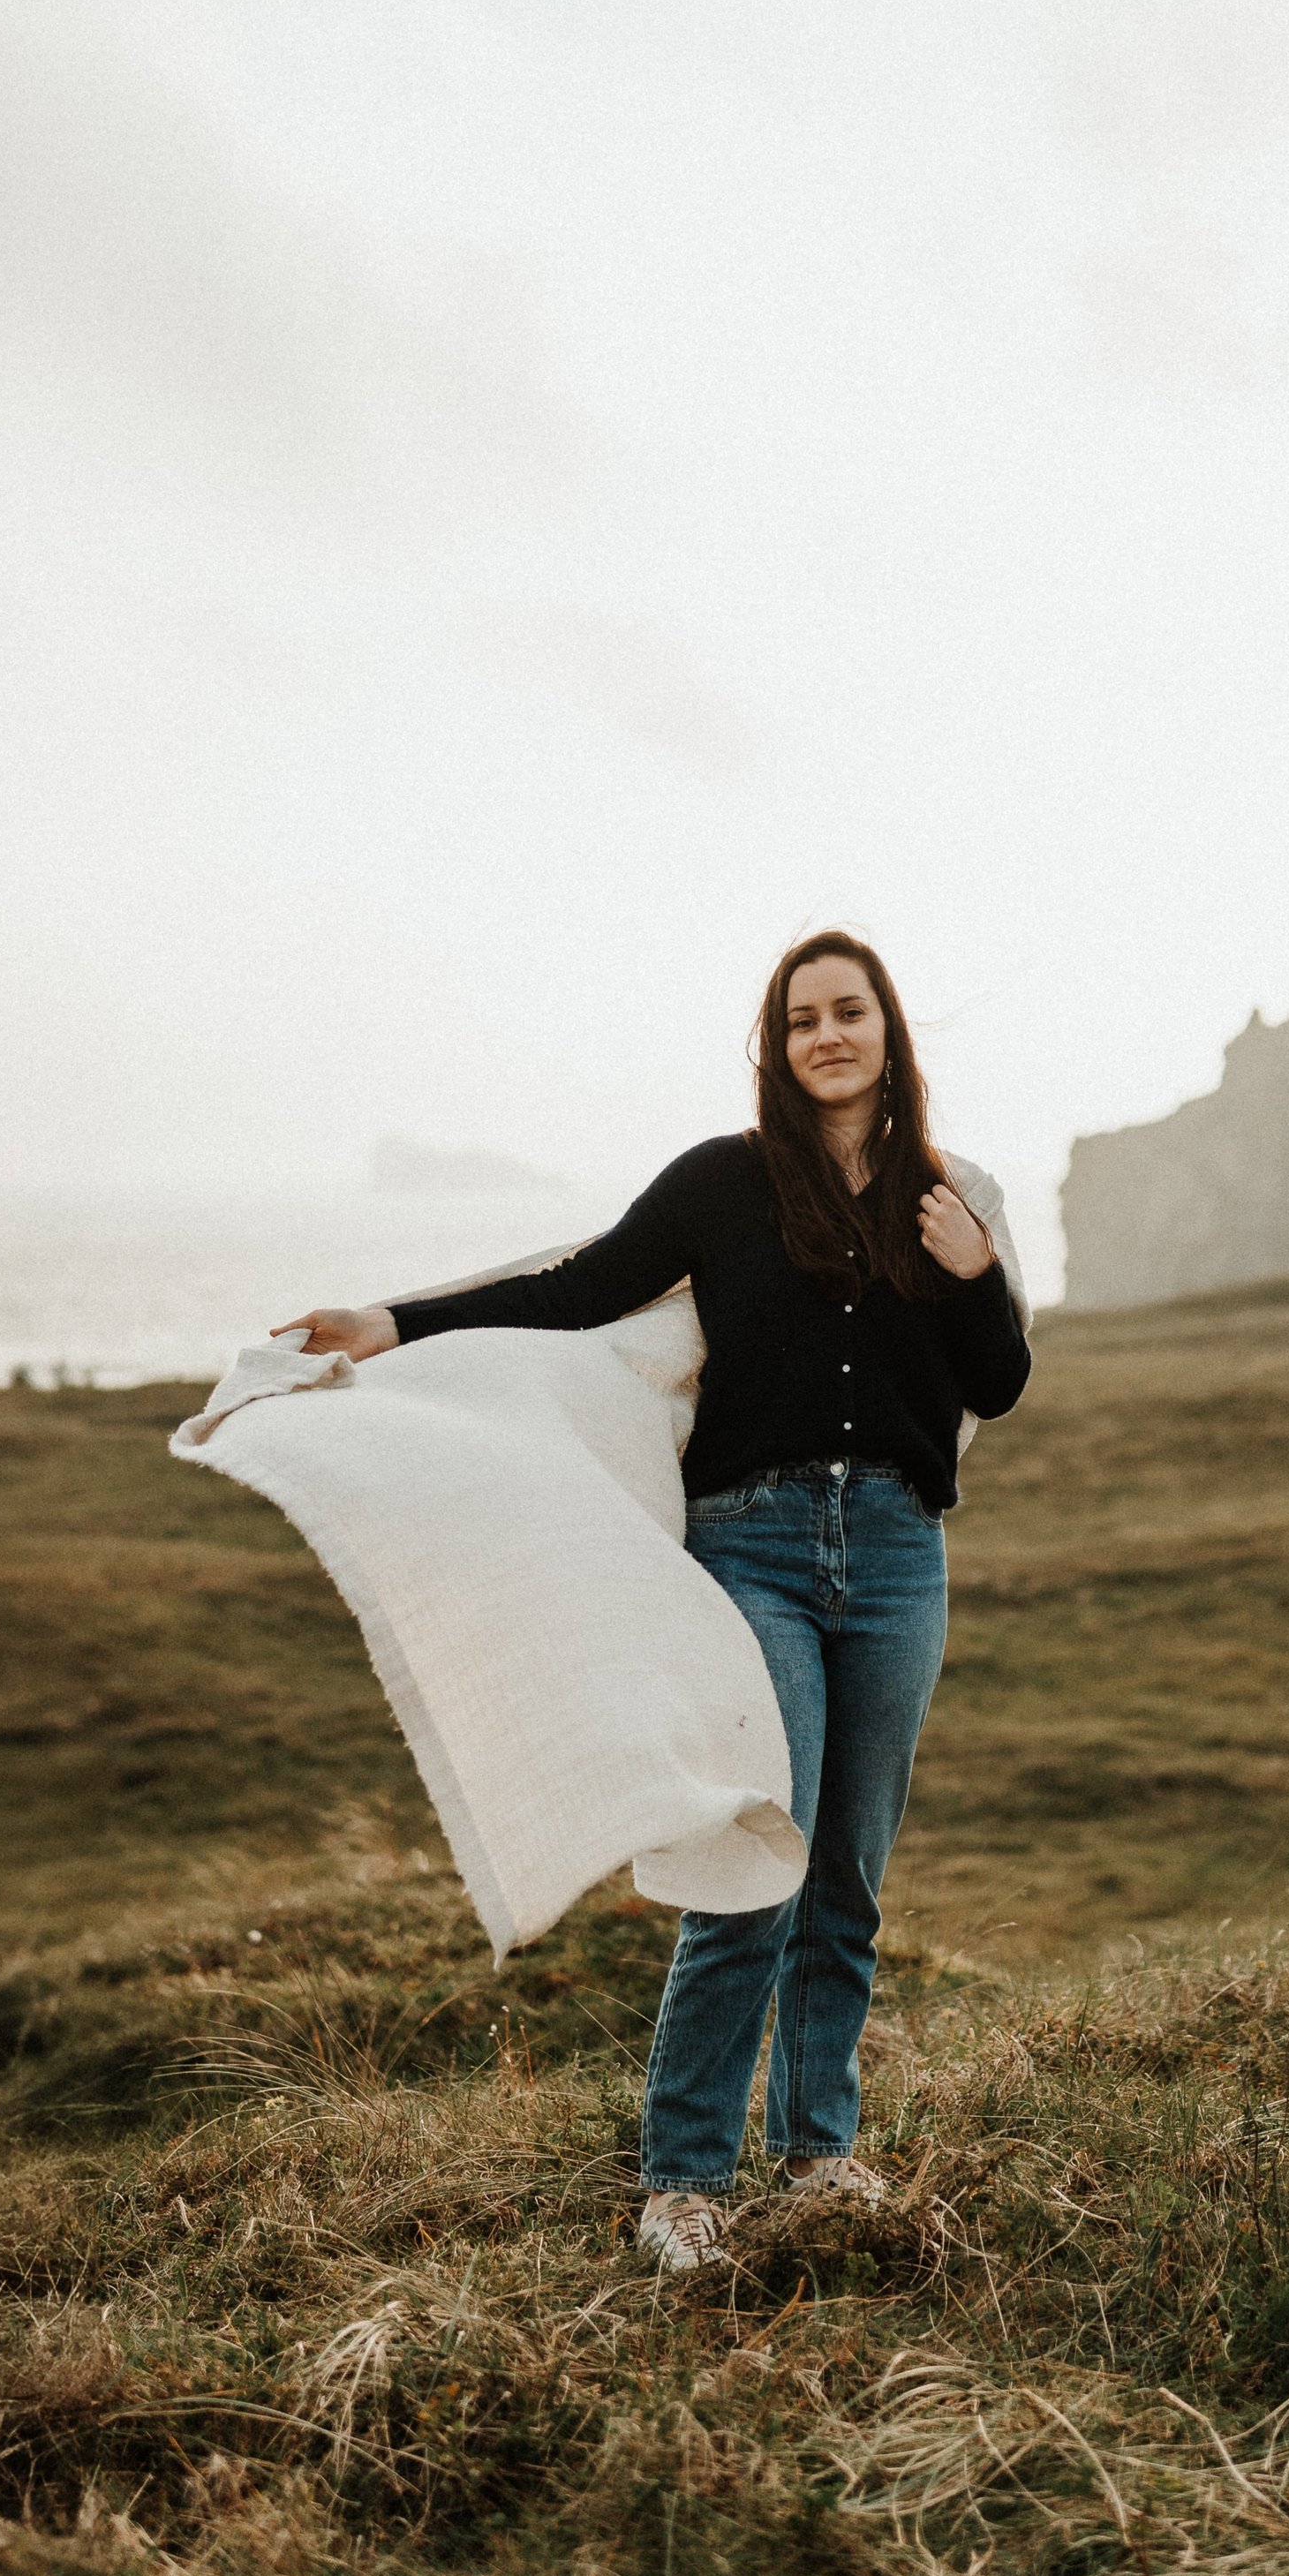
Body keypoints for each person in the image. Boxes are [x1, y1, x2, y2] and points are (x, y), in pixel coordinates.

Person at [283, 931, 1031, 2268]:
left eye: (849, 1011)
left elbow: (1000, 1381)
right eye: (801, 1019)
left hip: (901, 1549)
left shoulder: (954, 1193)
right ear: (778, 1044)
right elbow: (573, 1293)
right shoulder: (721, 1183)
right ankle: (682, 2181)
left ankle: (818, 2154)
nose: (828, 1036)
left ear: (888, 1027)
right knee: (754, 1852)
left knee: (849, 1870)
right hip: (753, 1546)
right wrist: (391, 1323)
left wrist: (973, 1267)